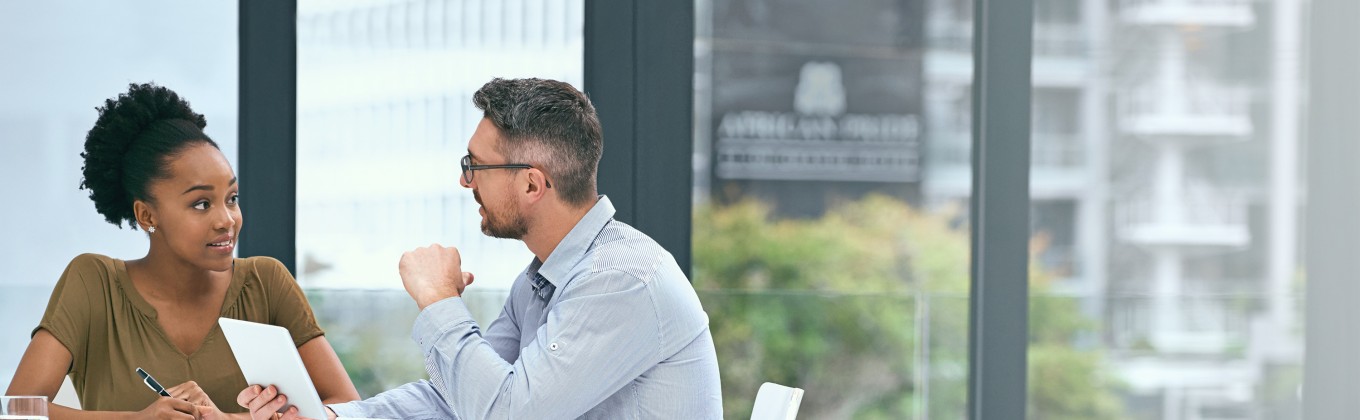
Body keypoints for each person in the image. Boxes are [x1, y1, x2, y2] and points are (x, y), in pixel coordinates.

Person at [242, 77, 722, 419]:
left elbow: (506, 413)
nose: (464, 179)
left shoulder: (620, 281)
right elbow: (459, 399)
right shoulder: (541, 281)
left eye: (475, 165)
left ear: (533, 184)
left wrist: (439, 300)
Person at [5, 83, 359, 420]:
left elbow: (347, 407)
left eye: (231, 199)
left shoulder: (266, 283)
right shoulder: (94, 283)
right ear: (147, 214)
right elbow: (16, 409)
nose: (227, 220)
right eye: (202, 204)